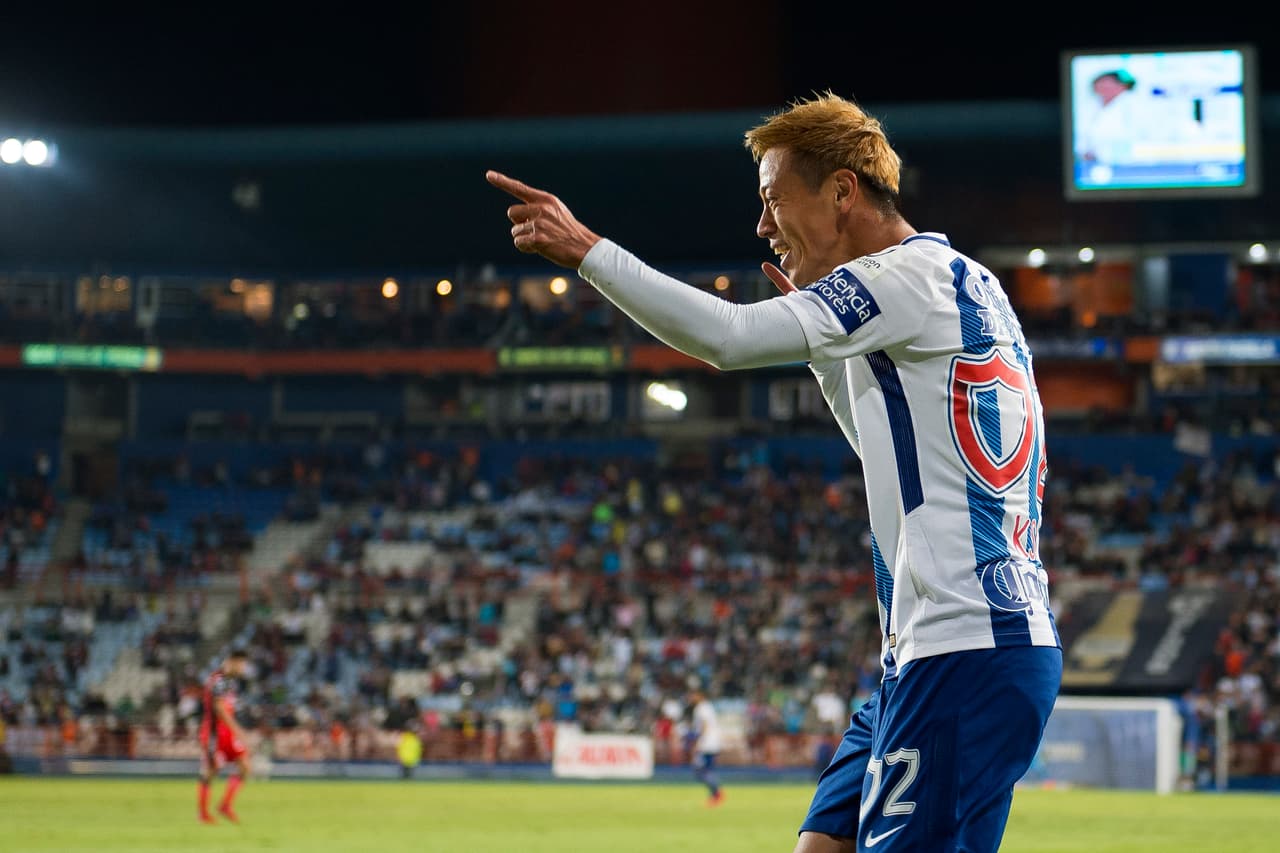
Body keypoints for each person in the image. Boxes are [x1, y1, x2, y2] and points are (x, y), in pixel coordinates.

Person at [488, 90, 1062, 852]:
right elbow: (891, 449)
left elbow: (728, 337)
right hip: (938, 649)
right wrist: (829, 357)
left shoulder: (900, 278)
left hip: (964, 649)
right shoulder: (965, 283)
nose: (763, 224)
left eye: (772, 199)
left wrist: (586, 250)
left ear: (842, 191)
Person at [197, 648, 252, 824]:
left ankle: (225, 805)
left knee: (244, 766)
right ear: (233, 662)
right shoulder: (219, 680)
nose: (244, 667)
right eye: (242, 663)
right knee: (212, 769)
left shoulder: (228, 681)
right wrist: (238, 730)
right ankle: (203, 813)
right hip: (215, 732)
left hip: (225, 732)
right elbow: (219, 709)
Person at [685, 688, 724, 807]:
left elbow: (704, 725)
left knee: (700, 770)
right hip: (712, 742)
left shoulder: (701, 708)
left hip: (707, 744)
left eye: (692, 695)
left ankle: (717, 792)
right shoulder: (708, 707)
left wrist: (698, 742)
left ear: (699, 695)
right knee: (706, 770)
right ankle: (715, 793)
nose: (690, 698)